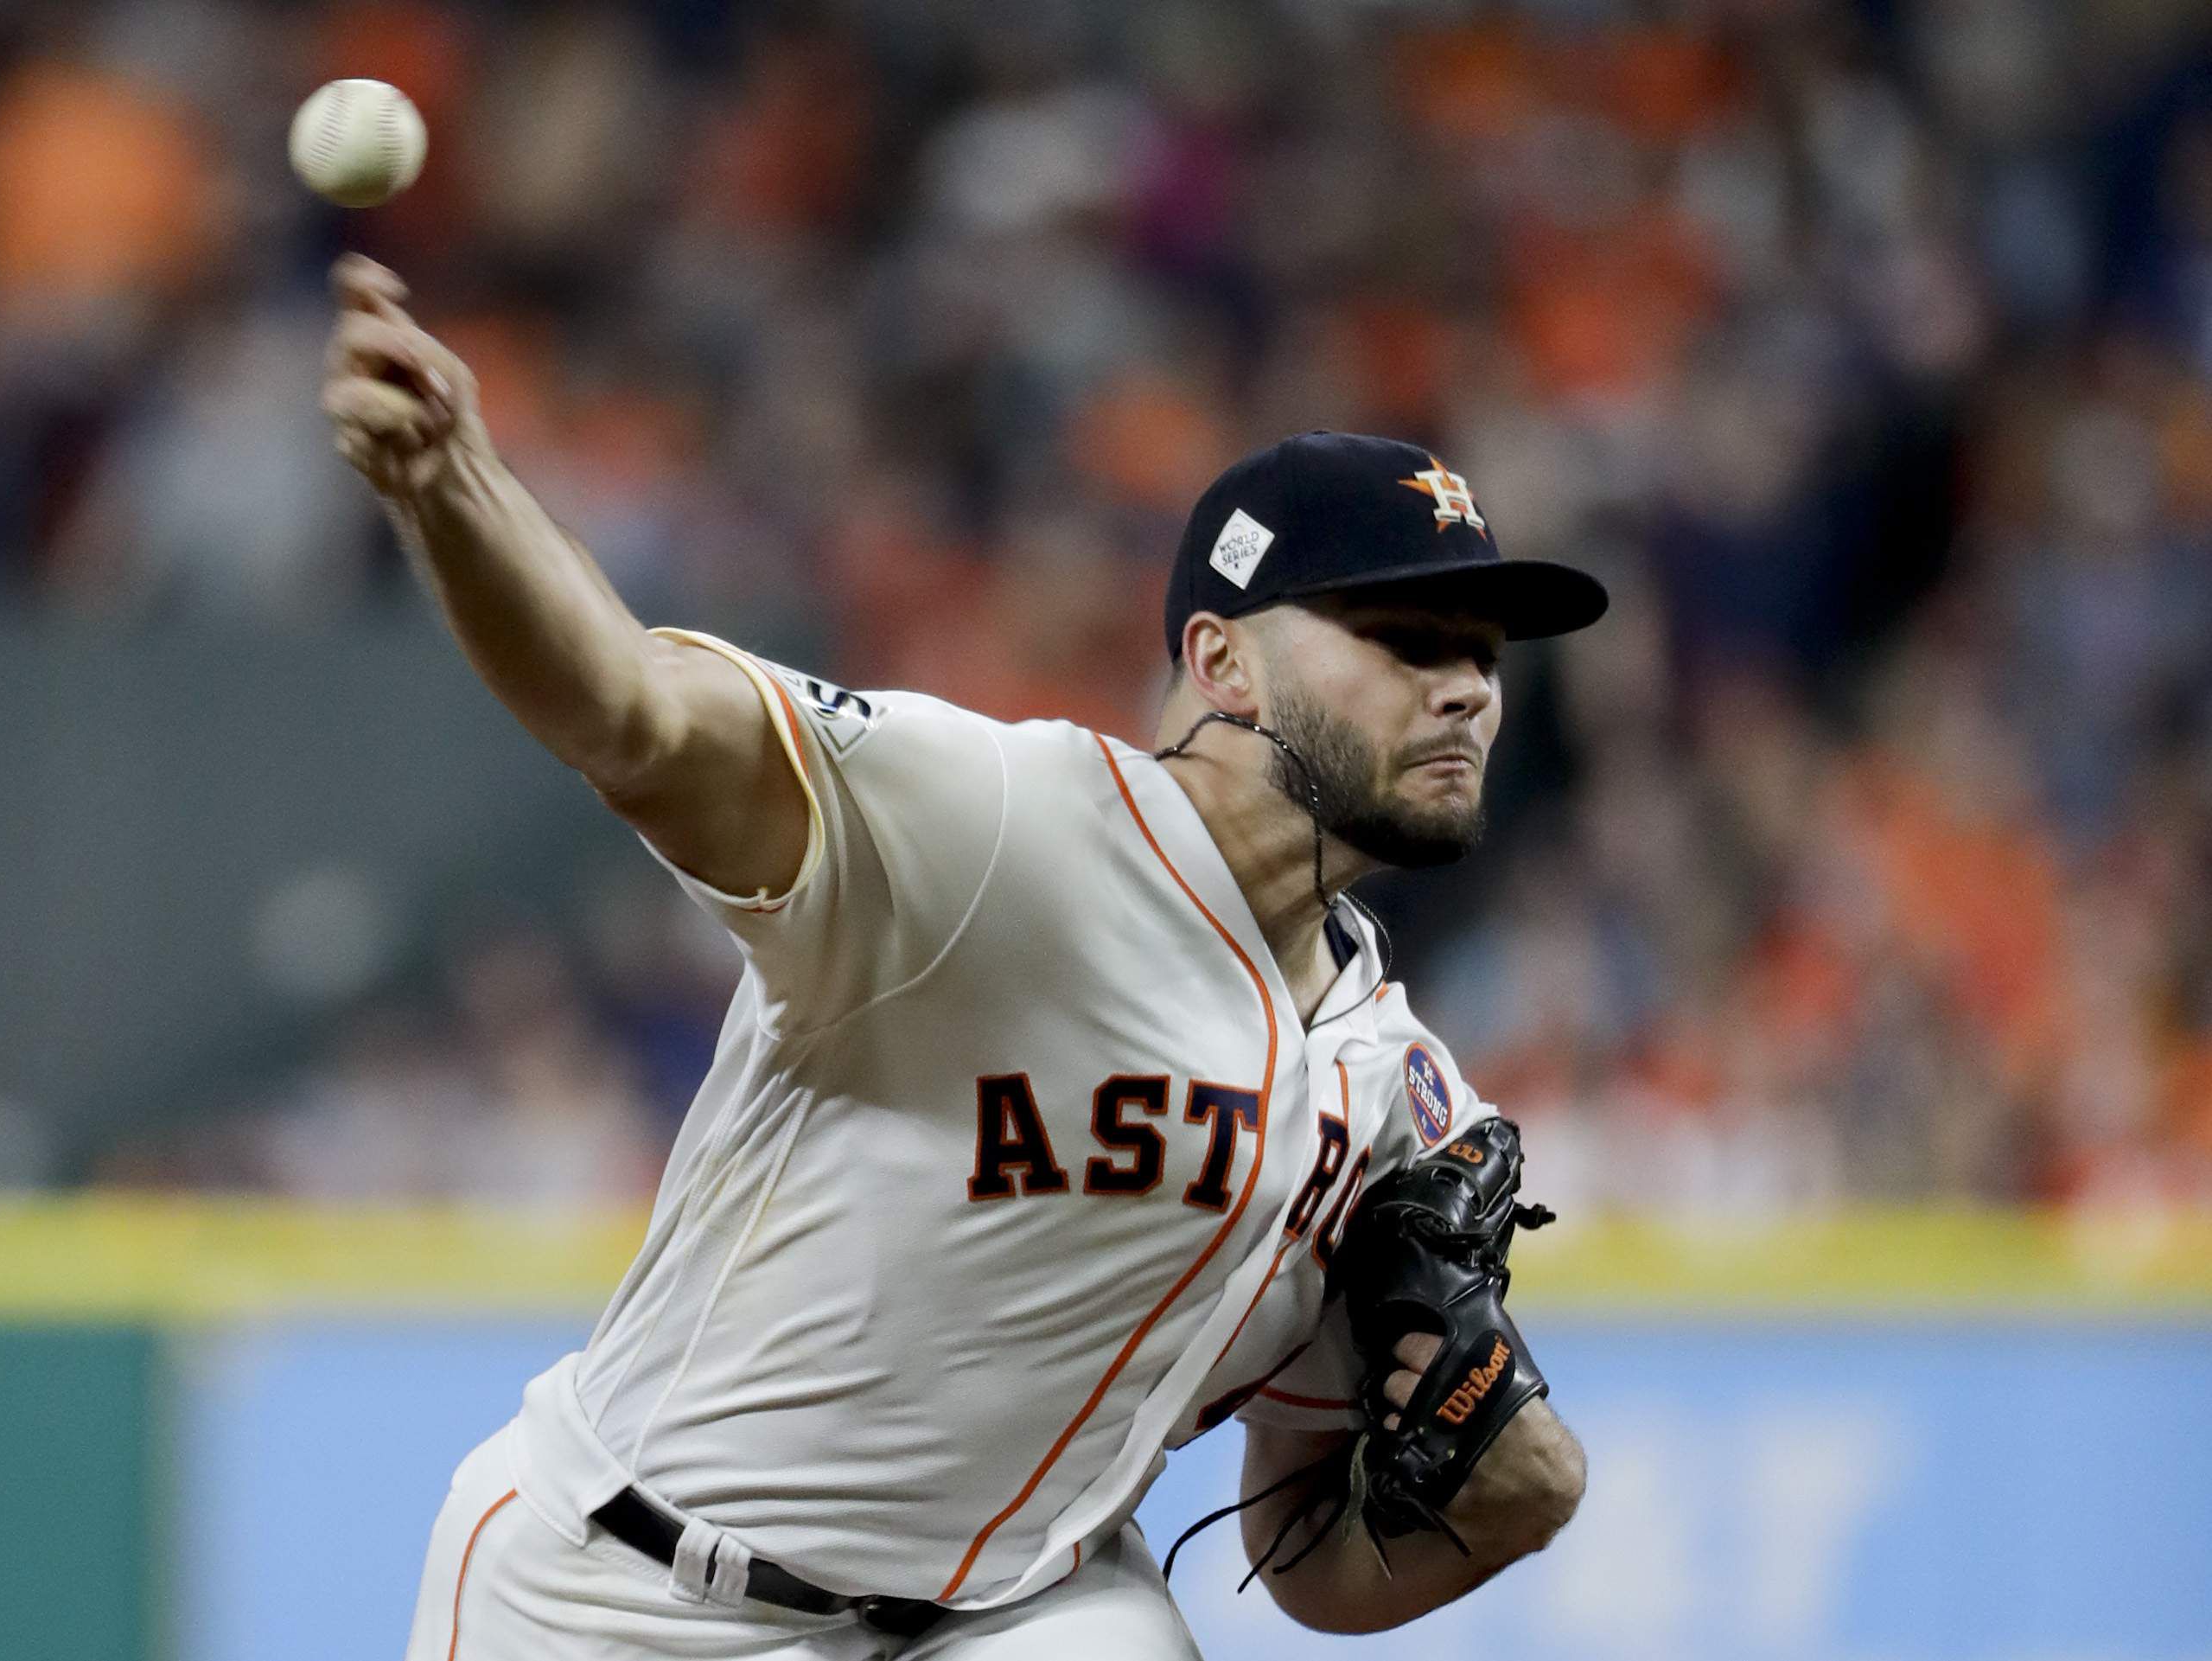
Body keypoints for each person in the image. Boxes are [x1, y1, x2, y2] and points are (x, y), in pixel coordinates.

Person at [321, 252, 1598, 1660]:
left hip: (1013, 1613)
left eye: (1481, 648)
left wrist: (1499, 1503)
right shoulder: (1003, 826)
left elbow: (1303, 1558)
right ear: (1223, 663)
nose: (1467, 683)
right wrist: (456, 490)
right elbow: (633, 712)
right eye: (1404, 634)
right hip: (630, 1586)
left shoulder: (1402, 1100)